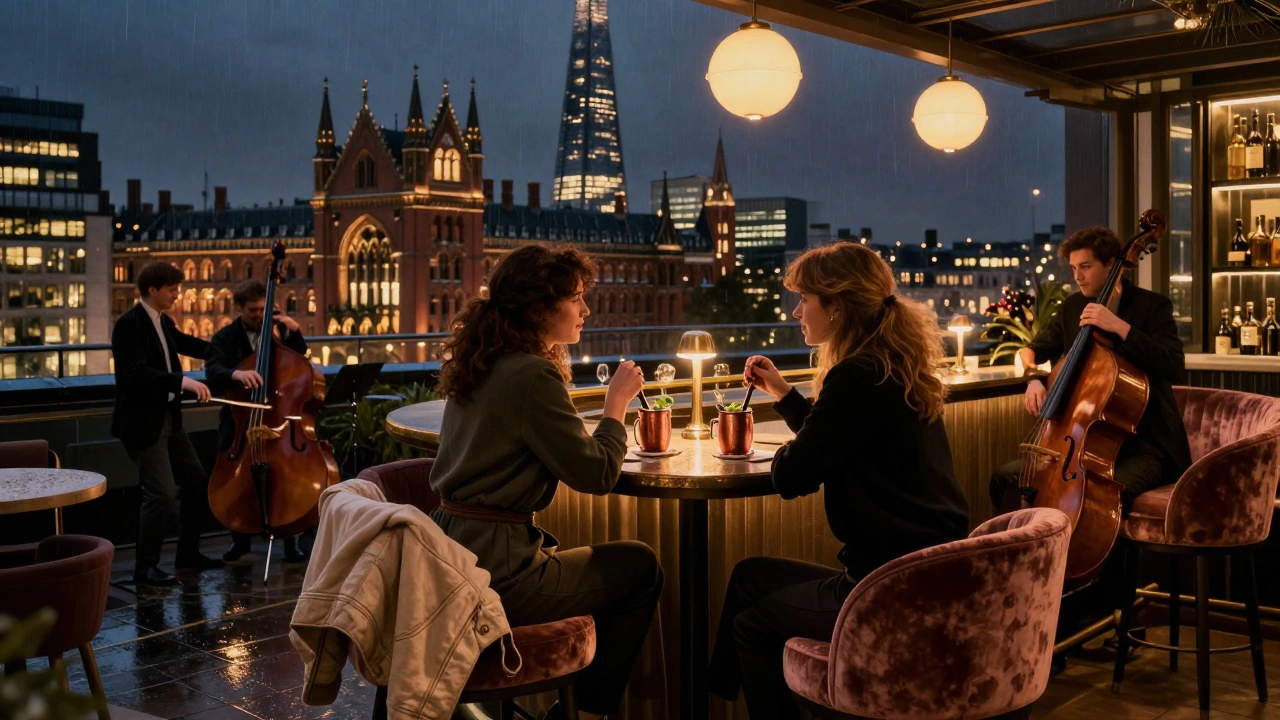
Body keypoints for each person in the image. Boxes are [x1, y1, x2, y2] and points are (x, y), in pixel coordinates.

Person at [707, 241, 970, 719]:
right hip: (929, 573)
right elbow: (841, 438)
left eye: (805, 299)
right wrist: (786, 395)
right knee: (748, 577)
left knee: (750, 625)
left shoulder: (856, 375)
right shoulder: (891, 365)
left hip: (886, 586)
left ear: (837, 305)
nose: (796, 311)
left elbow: (793, 473)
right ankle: (714, 697)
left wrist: (781, 445)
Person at [430, 245, 663, 720]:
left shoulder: (482, 361)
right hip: (498, 572)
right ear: (539, 310)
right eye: (576, 298)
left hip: (447, 557)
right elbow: (596, 473)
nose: (586, 309)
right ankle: (582, 715)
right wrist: (616, 402)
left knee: (599, 567)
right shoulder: (533, 374)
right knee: (640, 569)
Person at [988, 226, 1191, 518]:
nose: (1077, 276)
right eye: (1073, 268)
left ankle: (1103, 564)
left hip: (1146, 446)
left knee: (1101, 495)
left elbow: (1174, 366)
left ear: (1111, 265)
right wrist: (1033, 378)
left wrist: (1119, 327)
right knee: (1004, 478)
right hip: (1083, 445)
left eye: (1085, 266)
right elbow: (1030, 351)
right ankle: (1018, 558)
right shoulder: (1073, 307)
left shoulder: (1152, 307)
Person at [111, 261, 222, 586]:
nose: (177, 294)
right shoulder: (128, 325)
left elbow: (188, 343)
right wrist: (181, 381)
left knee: (195, 481)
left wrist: (225, 352)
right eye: (172, 289)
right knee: (160, 494)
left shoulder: (162, 321)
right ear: (152, 290)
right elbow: (133, 374)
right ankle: (144, 568)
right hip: (144, 423)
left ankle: (187, 555)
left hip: (168, 420)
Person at [203, 279, 310, 564]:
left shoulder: (280, 334)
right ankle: (240, 538)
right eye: (252, 310)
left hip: (279, 421)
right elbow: (213, 370)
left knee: (287, 477)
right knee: (238, 479)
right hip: (242, 422)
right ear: (238, 308)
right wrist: (235, 375)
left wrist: (293, 328)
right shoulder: (225, 337)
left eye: (264, 309)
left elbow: (300, 361)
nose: (258, 315)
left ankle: (291, 540)